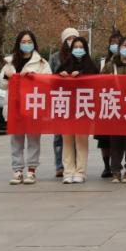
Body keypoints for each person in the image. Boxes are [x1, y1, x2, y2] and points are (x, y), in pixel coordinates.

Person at [0, 30, 51, 185]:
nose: (26, 44)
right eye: (23, 42)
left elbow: (49, 81)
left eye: (29, 42)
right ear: (18, 43)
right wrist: (7, 76)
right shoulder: (10, 62)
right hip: (15, 106)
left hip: (33, 106)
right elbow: (1, 84)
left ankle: (31, 170)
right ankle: (17, 170)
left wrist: (34, 76)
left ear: (34, 43)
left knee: (34, 139)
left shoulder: (41, 62)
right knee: (16, 140)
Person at [56, 36, 99, 183]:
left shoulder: (91, 66)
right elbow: (53, 83)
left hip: (84, 108)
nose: (78, 50)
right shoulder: (65, 65)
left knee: (81, 141)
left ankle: (80, 172)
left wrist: (81, 76)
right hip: (67, 108)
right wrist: (60, 76)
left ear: (85, 49)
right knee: (67, 140)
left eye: (81, 47)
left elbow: (96, 83)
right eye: (75, 47)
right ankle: (68, 171)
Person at [100, 36, 126, 182]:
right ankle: (115, 170)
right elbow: (100, 83)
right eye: (124, 46)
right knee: (115, 140)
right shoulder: (110, 65)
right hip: (115, 106)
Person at [49, 27, 78, 178]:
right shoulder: (55, 57)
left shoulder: (81, 56)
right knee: (59, 136)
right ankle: (60, 166)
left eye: (74, 38)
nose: (71, 41)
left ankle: (75, 164)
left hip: (78, 101)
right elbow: (48, 77)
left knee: (77, 135)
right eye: (68, 38)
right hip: (60, 100)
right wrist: (59, 74)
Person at [95, 30, 122, 177]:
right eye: (112, 43)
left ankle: (116, 164)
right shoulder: (103, 62)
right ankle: (106, 166)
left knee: (118, 137)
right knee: (104, 139)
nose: (115, 45)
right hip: (105, 103)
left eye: (118, 43)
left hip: (120, 104)